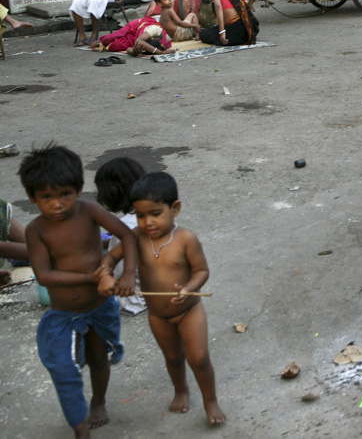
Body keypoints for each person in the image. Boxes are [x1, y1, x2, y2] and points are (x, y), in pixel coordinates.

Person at [18, 144, 138, 438]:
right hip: (63, 312)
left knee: (99, 357)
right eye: (47, 197)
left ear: (79, 189)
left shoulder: (90, 211)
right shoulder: (36, 230)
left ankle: (98, 401)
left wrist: (129, 274)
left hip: (99, 304)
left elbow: (126, 234)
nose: (57, 203)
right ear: (32, 198)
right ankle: (78, 425)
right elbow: (45, 276)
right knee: (63, 368)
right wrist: (91, 276)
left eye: (65, 194)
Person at [98, 172, 225, 425]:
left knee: (198, 359)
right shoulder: (135, 237)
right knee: (173, 357)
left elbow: (202, 271)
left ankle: (211, 401)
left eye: (156, 213)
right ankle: (181, 390)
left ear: (175, 208)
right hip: (158, 315)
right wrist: (105, 274)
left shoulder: (185, 239)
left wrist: (189, 288)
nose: (148, 222)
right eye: (141, 215)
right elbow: (110, 258)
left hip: (189, 310)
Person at [94, 158, 147, 315]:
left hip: (131, 299)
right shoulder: (155, 218)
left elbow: (118, 271)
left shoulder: (125, 228)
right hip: (155, 295)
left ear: (112, 191)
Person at [89, 15, 174, 57]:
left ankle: (103, 44)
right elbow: (138, 41)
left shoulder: (154, 45)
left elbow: (129, 49)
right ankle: (100, 41)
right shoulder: (155, 29)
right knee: (117, 34)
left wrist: (135, 52)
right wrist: (161, 53)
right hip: (138, 25)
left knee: (118, 45)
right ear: (151, 37)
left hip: (136, 36)